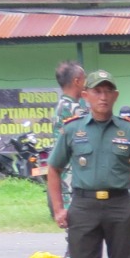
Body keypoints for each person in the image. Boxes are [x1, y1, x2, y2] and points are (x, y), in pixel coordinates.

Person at [45, 71, 130, 258]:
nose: (103, 97)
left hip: (120, 205)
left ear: (115, 96)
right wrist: (59, 209)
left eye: (107, 92)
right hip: (83, 206)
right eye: (97, 91)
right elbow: (53, 169)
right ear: (85, 95)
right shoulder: (73, 129)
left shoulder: (129, 130)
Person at [52, 61, 86, 211]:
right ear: (77, 81)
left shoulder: (61, 106)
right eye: (84, 79)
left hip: (67, 174)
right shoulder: (73, 109)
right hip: (76, 175)